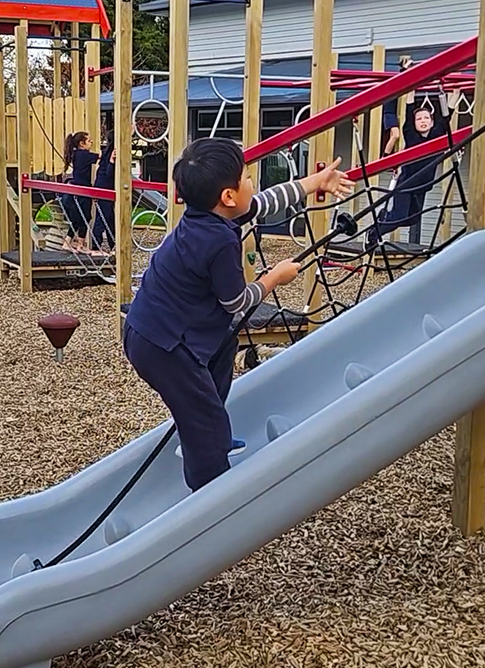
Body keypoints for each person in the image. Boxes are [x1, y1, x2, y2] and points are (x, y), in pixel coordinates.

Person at [124, 138, 354, 492]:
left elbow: (265, 202)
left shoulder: (208, 215)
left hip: (158, 332)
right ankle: (209, 490)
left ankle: (205, 441)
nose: (252, 184)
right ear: (229, 197)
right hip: (163, 347)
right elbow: (238, 303)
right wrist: (275, 277)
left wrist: (314, 183)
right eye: (247, 178)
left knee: (222, 348)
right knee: (206, 419)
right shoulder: (218, 242)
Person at [370, 74, 454, 248]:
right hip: (405, 185)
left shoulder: (437, 136)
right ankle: (374, 233)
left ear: (432, 122)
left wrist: (456, 90)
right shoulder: (411, 134)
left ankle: (385, 217)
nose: (422, 121)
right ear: (414, 124)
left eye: (426, 118)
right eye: (419, 119)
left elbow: (448, 115)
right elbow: (409, 109)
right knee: (399, 217)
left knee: (411, 219)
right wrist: (411, 84)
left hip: (422, 186)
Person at [60, 131, 100, 254]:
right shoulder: (83, 155)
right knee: (85, 216)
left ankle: (69, 242)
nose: (91, 142)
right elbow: (100, 156)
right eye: (89, 141)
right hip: (83, 189)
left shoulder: (77, 154)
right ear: (82, 144)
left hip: (77, 188)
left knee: (79, 217)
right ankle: (79, 244)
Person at [90, 131, 117, 252]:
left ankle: (113, 243)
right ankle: (96, 245)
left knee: (109, 217)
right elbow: (108, 173)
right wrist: (112, 161)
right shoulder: (112, 153)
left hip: (102, 186)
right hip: (105, 187)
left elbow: (101, 172)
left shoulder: (107, 151)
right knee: (102, 217)